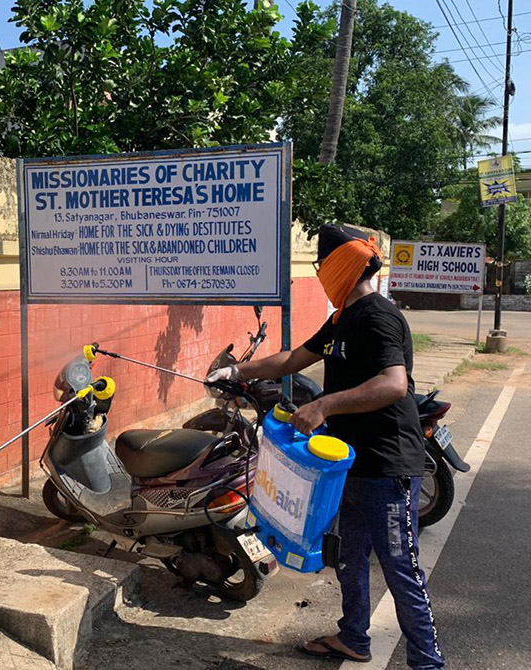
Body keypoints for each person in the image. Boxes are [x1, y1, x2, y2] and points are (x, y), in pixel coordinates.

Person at [208, 224, 444, 669]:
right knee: (350, 555)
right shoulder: (342, 319)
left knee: (400, 567)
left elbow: (394, 385)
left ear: (340, 265)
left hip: (388, 466)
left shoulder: (378, 316)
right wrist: (238, 373)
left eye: (321, 266)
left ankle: (427, 662)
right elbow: (293, 359)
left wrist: (325, 405)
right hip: (347, 464)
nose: (319, 275)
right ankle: (354, 637)